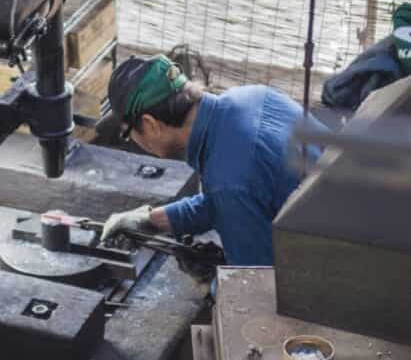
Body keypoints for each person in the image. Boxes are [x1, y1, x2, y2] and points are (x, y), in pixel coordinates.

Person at [101, 54, 322, 266]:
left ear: (150, 124)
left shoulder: (230, 180)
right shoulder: (251, 96)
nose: (132, 140)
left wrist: (211, 279)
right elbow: (235, 199)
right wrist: (153, 220)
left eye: (127, 134)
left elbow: (256, 281)